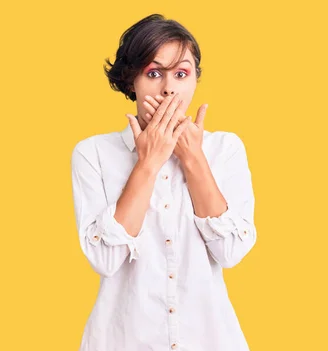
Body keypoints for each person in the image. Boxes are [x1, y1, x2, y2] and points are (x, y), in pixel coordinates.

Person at [70, 13, 257, 351]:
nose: (169, 88)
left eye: (181, 74)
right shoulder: (93, 153)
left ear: (194, 81)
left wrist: (193, 157)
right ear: (131, 82)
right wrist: (149, 162)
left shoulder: (225, 149)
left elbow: (231, 252)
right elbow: (104, 259)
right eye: (153, 73)